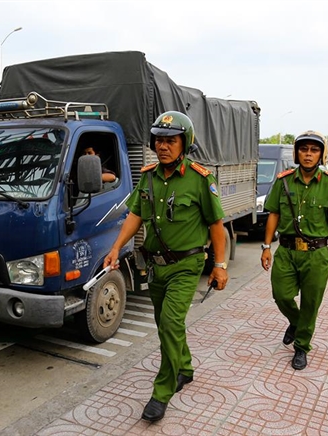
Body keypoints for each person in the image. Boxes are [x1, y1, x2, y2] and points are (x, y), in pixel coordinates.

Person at [103, 111, 228, 422]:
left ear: (184, 144)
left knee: (171, 323)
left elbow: (216, 224)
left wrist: (220, 265)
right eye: (159, 140)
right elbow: (135, 215)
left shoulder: (200, 179)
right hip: (156, 267)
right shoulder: (148, 176)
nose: (163, 146)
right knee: (164, 323)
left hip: (187, 265)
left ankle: (163, 391)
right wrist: (116, 248)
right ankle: (184, 367)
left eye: (171, 141)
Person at [261, 130, 328, 370]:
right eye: (304, 149)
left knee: (310, 303)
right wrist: (266, 246)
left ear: (321, 155)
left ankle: (301, 347)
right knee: (282, 295)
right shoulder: (283, 180)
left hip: (316, 254)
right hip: (286, 251)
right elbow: (274, 214)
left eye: (314, 150)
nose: (308, 154)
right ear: (297, 153)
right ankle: (296, 323)